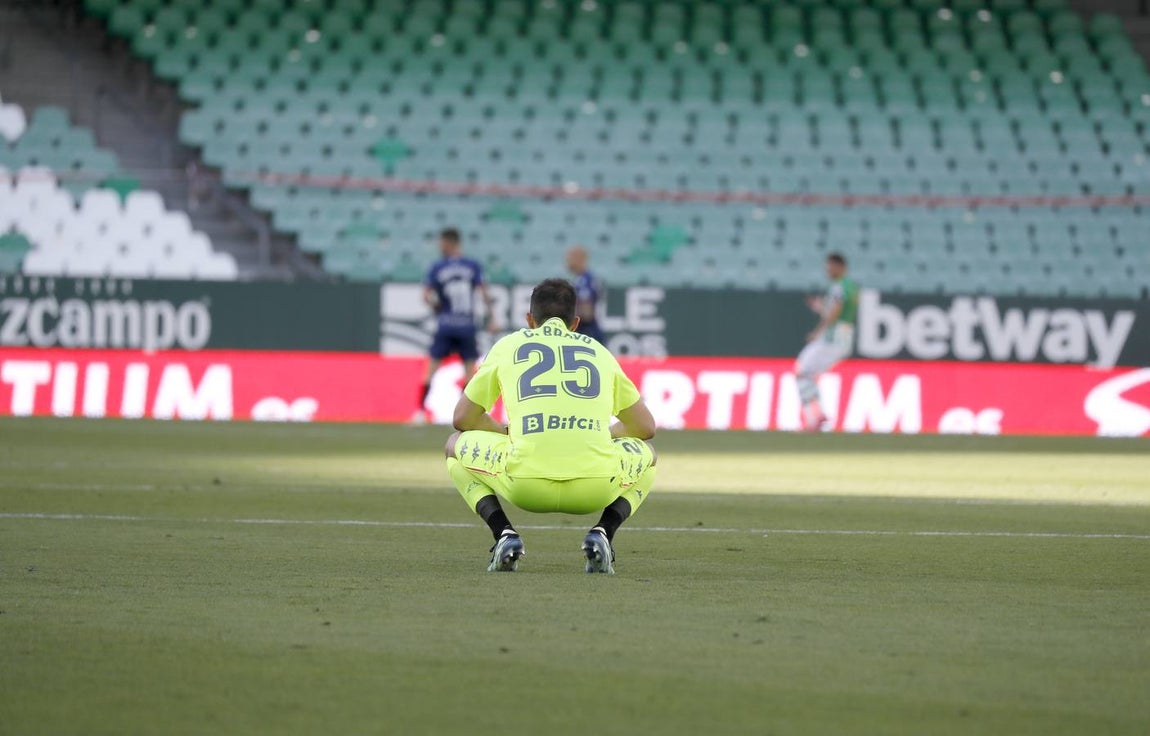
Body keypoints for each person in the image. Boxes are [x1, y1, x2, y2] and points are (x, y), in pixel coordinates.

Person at [444, 278, 657, 574]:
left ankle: (504, 534)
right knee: (649, 455)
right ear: (575, 323)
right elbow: (645, 426)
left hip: (525, 485)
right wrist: (605, 434)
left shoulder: (509, 345)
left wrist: (506, 432)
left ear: (530, 320)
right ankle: (603, 533)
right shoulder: (599, 352)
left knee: (454, 445)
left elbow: (463, 419)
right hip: (594, 486)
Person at [415, 227, 494, 423]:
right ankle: (465, 416)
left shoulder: (438, 267)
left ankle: (419, 412)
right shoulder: (473, 266)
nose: (440, 247)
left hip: (446, 325)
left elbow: (426, 295)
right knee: (469, 371)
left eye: (442, 243)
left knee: (431, 368)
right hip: (467, 325)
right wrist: (493, 318)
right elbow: (484, 292)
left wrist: (438, 307)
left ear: (449, 243)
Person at [796, 253, 859, 431]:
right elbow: (839, 309)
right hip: (843, 336)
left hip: (833, 338)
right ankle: (816, 416)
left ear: (840, 266)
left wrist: (818, 331)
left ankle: (814, 418)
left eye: (830, 266)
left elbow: (835, 311)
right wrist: (820, 307)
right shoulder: (851, 287)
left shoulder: (839, 287)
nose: (827, 270)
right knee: (806, 374)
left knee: (802, 372)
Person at [565, 245, 605, 343]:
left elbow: (587, 313)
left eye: (570, 258)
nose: (567, 261)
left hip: (587, 333)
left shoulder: (585, 280)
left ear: (580, 259)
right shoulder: (580, 279)